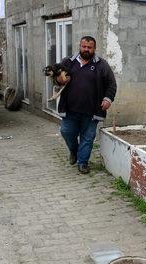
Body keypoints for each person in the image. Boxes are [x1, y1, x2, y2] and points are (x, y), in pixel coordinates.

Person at [56, 36, 117, 174]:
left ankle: (83, 163)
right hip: (70, 109)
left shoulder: (102, 65)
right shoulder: (68, 62)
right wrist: (58, 80)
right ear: (80, 46)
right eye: (84, 47)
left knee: (88, 138)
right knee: (66, 132)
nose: (86, 50)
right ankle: (74, 151)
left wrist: (108, 99)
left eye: (89, 47)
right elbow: (57, 79)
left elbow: (111, 84)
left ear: (94, 49)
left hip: (92, 111)